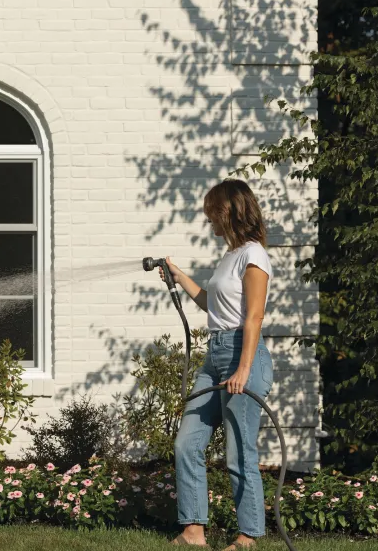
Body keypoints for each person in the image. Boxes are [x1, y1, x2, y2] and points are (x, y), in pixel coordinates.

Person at [160, 179, 274, 551]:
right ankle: (193, 532)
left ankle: (248, 537)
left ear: (228, 211)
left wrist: (242, 369)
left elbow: (253, 317)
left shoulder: (254, 255)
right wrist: (180, 278)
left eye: (212, 212)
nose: (209, 220)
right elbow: (215, 306)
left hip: (245, 355)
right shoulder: (231, 255)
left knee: (239, 452)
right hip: (215, 356)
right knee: (187, 442)